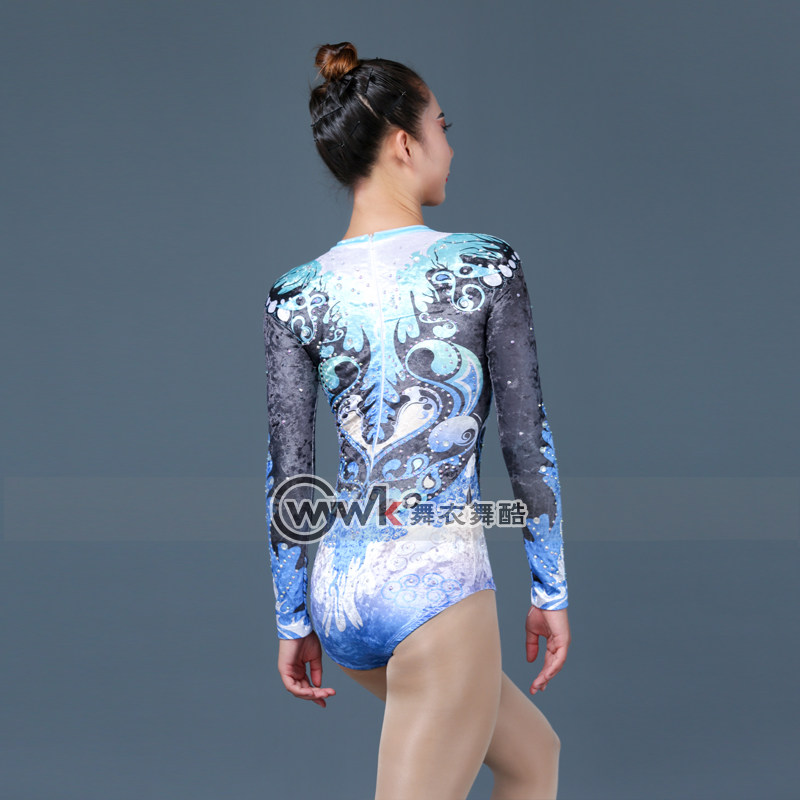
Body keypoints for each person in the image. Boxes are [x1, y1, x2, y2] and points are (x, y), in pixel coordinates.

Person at [263, 41, 571, 800]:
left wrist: (294, 616)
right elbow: (525, 441)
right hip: (437, 589)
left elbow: (290, 471)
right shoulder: (485, 265)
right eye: (443, 127)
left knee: (534, 757)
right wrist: (550, 589)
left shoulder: (295, 293)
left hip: (342, 595)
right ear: (405, 143)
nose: (450, 148)